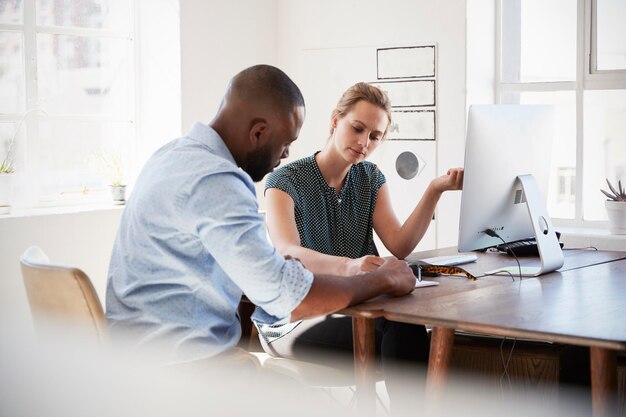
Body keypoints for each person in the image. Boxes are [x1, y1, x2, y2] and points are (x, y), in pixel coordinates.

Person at [105, 65, 416, 363]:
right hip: (185, 364)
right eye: (285, 143)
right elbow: (287, 297)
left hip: (138, 355)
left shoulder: (171, 156)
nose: (285, 155)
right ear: (258, 132)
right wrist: (381, 279)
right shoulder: (217, 180)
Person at [258, 82, 463, 406]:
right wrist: (349, 265)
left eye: (375, 136)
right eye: (357, 128)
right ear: (335, 120)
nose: (364, 142)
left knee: (408, 328)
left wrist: (435, 189)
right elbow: (287, 251)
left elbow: (400, 245)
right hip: (292, 321)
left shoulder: (370, 178)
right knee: (398, 332)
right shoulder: (284, 181)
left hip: (356, 310)